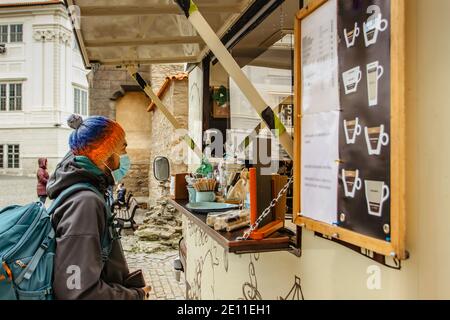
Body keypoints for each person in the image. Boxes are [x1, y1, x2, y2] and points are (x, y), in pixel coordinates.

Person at [46, 114, 151, 300]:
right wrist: (135, 296)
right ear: (107, 155)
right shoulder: (85, 204)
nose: (126, 156)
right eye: (123, 148)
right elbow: (76, 291)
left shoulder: (87, 190)